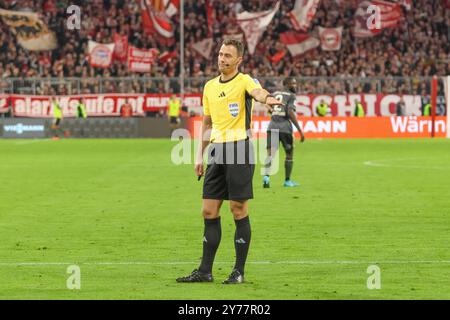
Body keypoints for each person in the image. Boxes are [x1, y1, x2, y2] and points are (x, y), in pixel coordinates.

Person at [176, 39, 282, 284]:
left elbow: (258, 92)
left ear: (238, 60)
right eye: (220, 54)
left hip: (239, 149)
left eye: (227, 56)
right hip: (216, 151)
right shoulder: (209, 86)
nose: (222, 59)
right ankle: (205, 271)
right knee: (208, 210)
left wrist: (268, 99)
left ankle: (239, 272)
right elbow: (207, 123)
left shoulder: (244, 80)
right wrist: (199, 156)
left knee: (238, 210)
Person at [263, 77, 305, 188]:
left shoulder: (275, 93)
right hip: (285, 128)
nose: (295, 86)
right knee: (289, 154)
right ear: (286, 84)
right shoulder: (291, 96)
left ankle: (266, 177)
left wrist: (272, 110)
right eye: (293, 83)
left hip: (272, 127)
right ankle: (287, 181)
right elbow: (290, 112)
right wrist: (300, 130)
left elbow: (266, 103)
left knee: (270, 154)